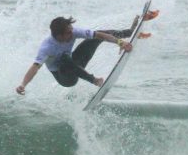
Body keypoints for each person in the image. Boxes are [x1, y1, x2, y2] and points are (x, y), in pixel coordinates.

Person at [16, 9, 158, 95]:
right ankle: (95, 81)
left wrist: (119, 42)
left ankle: (130, 32)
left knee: (97, 36)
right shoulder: (47, 47)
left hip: (76, 64)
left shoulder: (72, 32)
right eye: (68, 33)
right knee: (64, 60)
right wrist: (23, 84)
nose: (72, 33)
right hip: (65, 78)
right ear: (59, 35)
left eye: (72, 30)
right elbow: (34, 68)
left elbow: (100, 35)